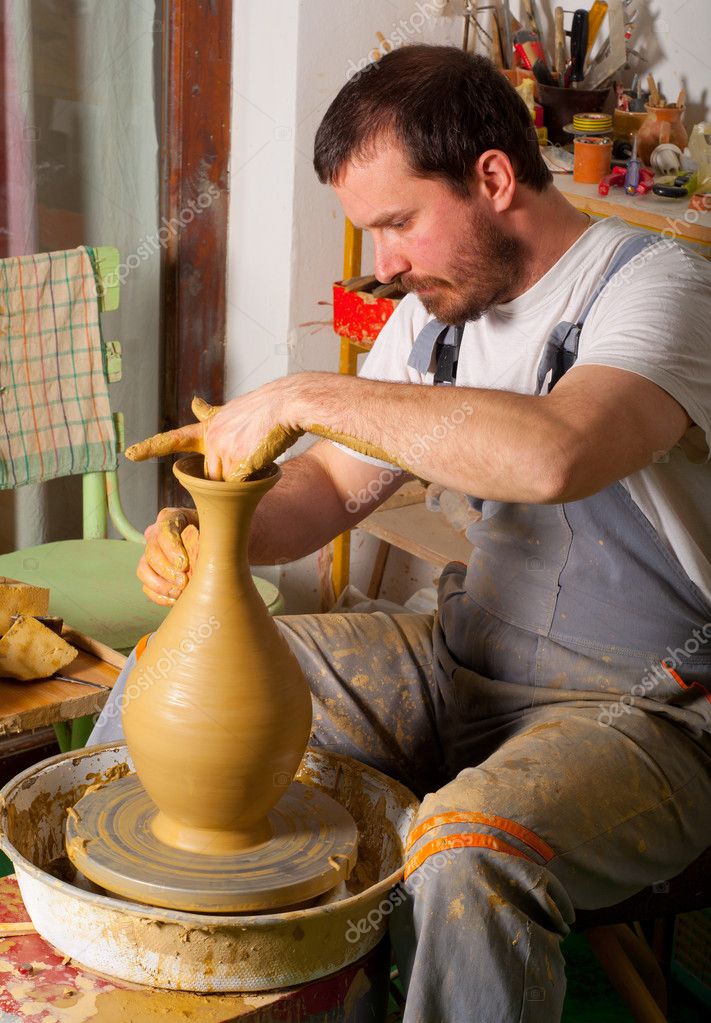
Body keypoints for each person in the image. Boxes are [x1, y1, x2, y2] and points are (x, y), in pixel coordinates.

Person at [90, 46, 711, 1022]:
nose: (383, 267)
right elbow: (333, 489)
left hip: (652, 715)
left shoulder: (655, 287)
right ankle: (115, 991)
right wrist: (208, 534)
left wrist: (310, 391)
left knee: (467, 851)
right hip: (462, 657)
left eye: (397, 226)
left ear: (495, 178)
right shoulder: (437, 314)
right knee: (152, 686)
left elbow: (558, 454)